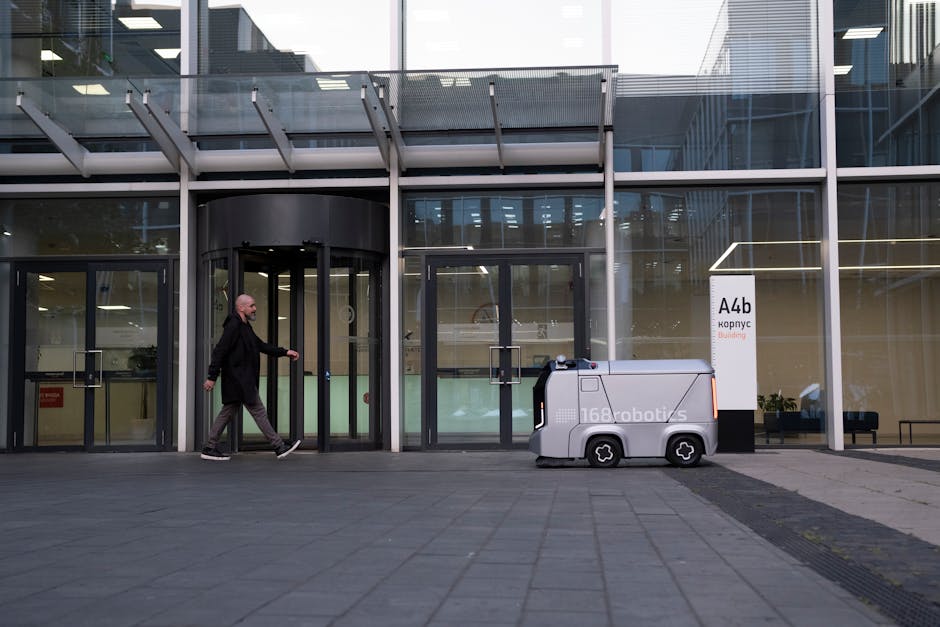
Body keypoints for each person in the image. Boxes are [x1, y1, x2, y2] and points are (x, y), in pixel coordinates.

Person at [201, 293, 302, 460]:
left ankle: (209, 447)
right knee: (259, 411)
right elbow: (220, 350)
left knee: (227, 412)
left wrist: (284, 352)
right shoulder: (233, 325)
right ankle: (279, 446)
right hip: (239, 380)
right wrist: (212, 376)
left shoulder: (244, 326)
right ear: (241, 308)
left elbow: (260, 345)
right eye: (252, 306)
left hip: (241, 379)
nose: (255, 309)